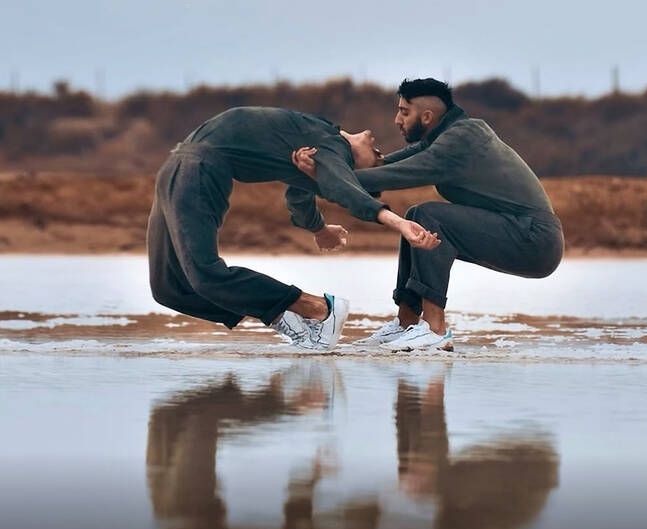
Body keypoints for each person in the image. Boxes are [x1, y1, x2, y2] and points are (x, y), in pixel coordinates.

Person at [292, 78, 564, 351]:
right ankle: (406, 325)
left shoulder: (461, 140)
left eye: (404, 112)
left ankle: (435, 331)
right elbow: (383, 166)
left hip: (535, 239)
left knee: (428, 216)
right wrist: (331, 162)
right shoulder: (445, 138)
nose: (397, 120)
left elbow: (392, 175)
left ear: (427, 116)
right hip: (521, 233)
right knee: (416, 216)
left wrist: (323, 176)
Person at [147, 106, 440, 351]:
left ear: (351, 171)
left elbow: (339, 189)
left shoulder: (332, 149)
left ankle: (317, 309)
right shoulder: (323, 138)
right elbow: (304, 195)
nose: (381, 154)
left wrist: (397, 222)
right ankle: (287, 315)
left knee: (204, 274)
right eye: (380, 157)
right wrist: (320, 228)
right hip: (178, 163)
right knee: (167, 289)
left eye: (377, 162)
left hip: (197, 166)